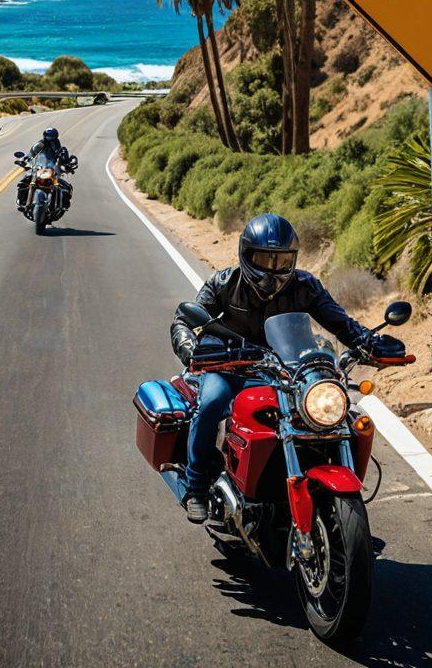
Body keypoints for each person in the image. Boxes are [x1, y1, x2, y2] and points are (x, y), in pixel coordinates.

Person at [170, 213, 403, 524]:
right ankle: (197, 485)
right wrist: (188, 345)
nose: (272, 269)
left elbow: (340, 323)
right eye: (264, 258)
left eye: (281, 261)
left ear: (292, 259)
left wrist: (368, 342)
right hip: (228, 367)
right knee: (211, 402)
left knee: (330, 416)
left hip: (284, 371)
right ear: (246, 255)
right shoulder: (225, 284)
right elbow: (186, 318)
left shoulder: (305, 286)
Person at [16, 127, 77, 211]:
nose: (50, 139)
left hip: (54, 171)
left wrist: (69, 165)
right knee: (23, 182)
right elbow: (31, 154)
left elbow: (65, 160)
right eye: (48, 137)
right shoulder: (39, 145)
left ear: (56, 137)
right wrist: (24, 159)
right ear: (44, 136)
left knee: (66, 188)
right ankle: (21, 201)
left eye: (52, 137)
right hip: (39, 168)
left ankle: (62, 206)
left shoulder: (61, 149)